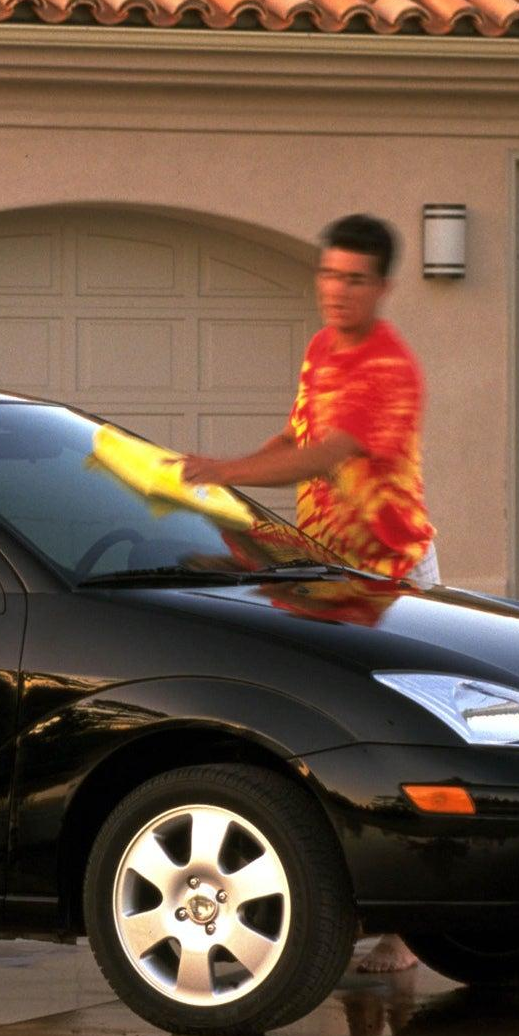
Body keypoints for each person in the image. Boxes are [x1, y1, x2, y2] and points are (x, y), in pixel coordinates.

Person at [180, 213, 436, 973]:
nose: (336, 290)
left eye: (354, 279)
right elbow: (293, 437)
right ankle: (354, 904)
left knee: (395, 748)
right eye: (329, 274)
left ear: (383, 286)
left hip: (390, 578)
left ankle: (405, 927)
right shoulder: (322, 350)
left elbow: (325, 456)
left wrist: (224, 471)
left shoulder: (390, 368)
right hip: (327, 573)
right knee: (330, 737)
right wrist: (222, 482)